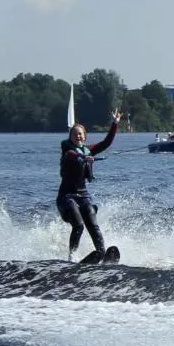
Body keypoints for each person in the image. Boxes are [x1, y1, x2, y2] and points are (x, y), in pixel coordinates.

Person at [57, 109, 121, 260]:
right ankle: (71, 256)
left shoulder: (89, 149)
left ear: (84, 136)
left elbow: (106, 143)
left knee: (92, 223)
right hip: (66, 197)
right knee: (79, 225)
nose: (78, 136)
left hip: (83, 195)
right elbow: (73, 155)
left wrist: (115, 124)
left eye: (80, 134)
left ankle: (102, 253)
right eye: (74, 134)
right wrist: (84, 156)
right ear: (70, 138)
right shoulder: (68, 150)